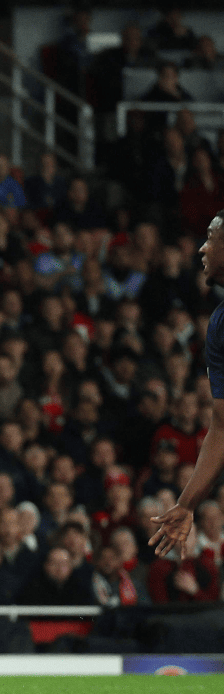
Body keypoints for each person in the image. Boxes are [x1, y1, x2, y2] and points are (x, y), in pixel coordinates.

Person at [151, 212, 224, 559]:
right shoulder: (219, 325)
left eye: (211, 238)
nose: (201, 248)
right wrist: (187, 503)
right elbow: (223, 423)